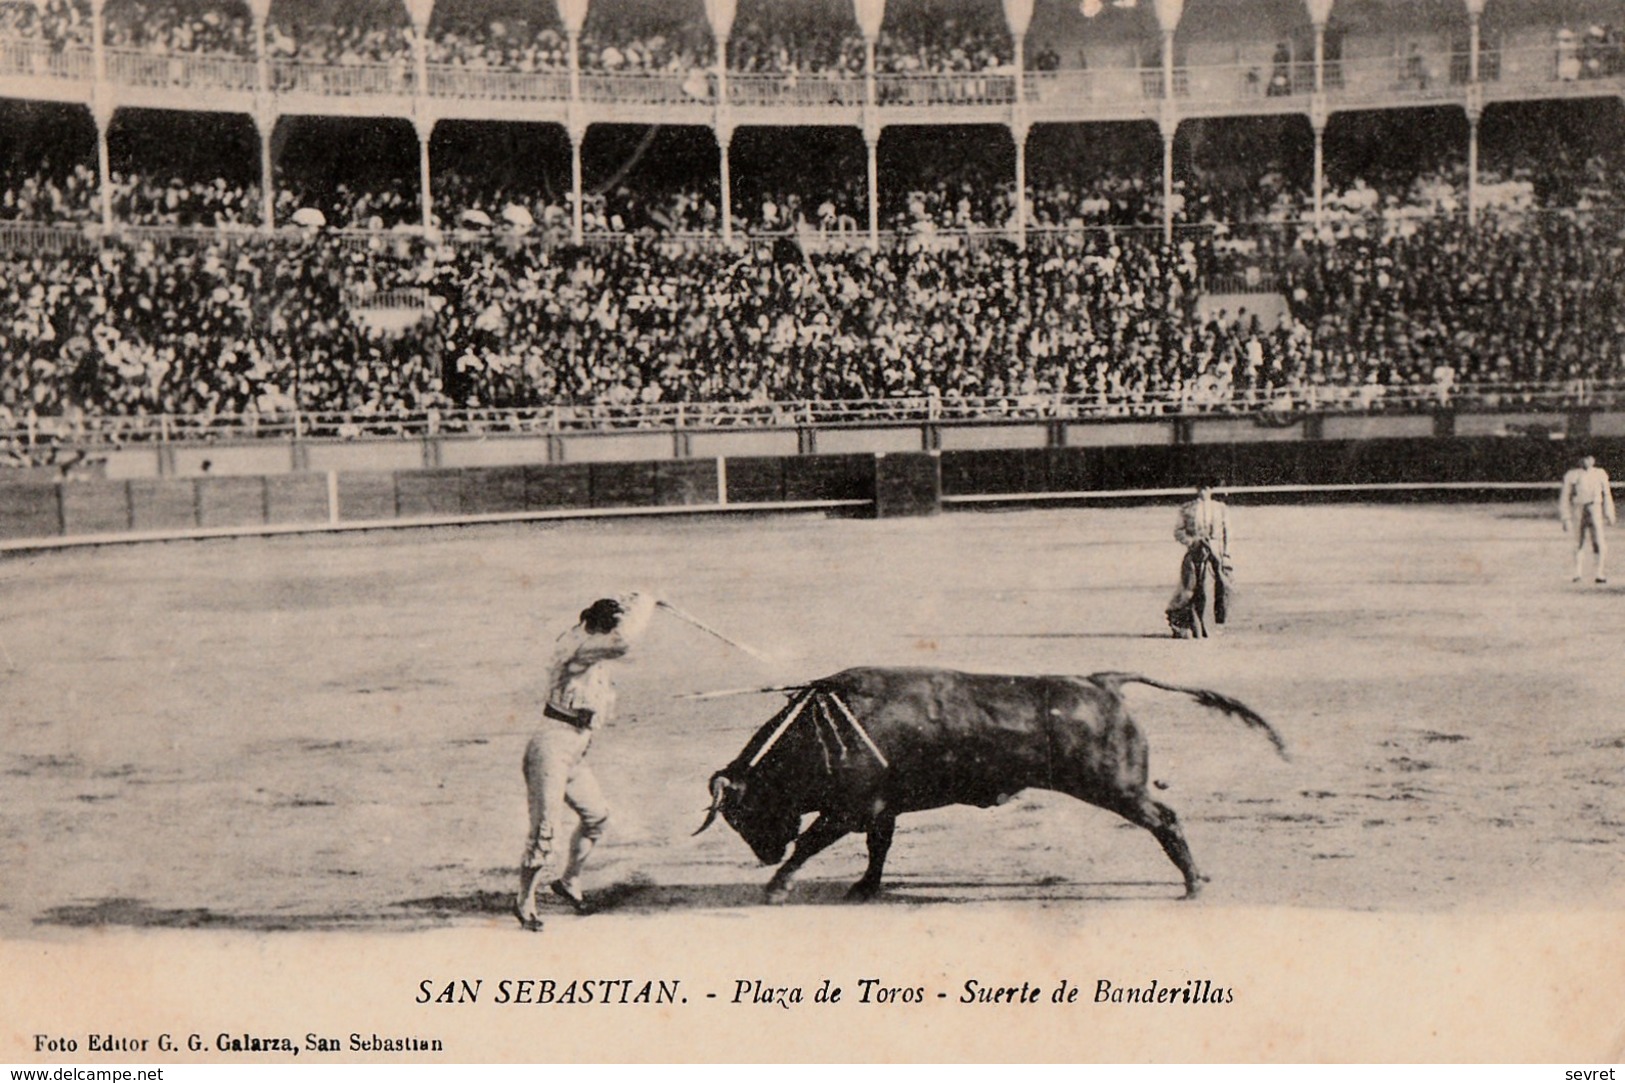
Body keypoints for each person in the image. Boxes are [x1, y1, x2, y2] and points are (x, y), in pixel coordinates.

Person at [516, 590, 658, 931]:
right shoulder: (578, 648)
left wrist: (636, 598)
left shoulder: (587, 638)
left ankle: (568, 882)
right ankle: (524, 901)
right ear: (596, 628)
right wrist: (651, 602)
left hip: (575, 749)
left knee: (596, 818)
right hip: (552, 748)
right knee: (544, 832)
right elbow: (625, 642)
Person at [1166, 478, 1233, 638]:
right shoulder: (1187, 508)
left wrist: (1226, 555)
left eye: (1207, 488)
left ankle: (1216, 625)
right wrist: (1191, 542)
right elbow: (1178, 531)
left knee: (1221, 586)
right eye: (1201, 488)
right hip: (1196, 552)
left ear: (1212, 490)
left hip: (1215, 552)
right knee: (1191, 588)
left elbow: (1227, 534)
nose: (1204, 491)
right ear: (1197, 489)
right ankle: (1190, 625)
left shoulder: (1221, 508)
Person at [1560, 453, 1615, 583]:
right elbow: (1565, 497)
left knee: (1598, 540)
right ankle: (1577, 572)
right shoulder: (1572, 475)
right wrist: (1565, 517)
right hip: (1579, 508)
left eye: (1589, 458)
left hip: (1595, 507)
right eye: (1584, 458)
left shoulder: (1600, 473)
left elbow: (1607, 494)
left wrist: (1609, 512)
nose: (1586, 461)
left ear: (1593, 459)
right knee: (1578, 540)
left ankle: (1599, 573)